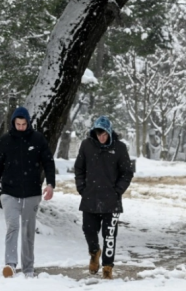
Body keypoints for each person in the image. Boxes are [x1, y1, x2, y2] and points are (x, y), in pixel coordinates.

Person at [0, 106, 56, 278]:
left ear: (28, 123)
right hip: (9, 191)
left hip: (32, 192)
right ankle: (10, 265)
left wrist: (50, 184)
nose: (21, 127)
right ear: (13, 123)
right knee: (12, 226)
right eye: (18, 124)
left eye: (24, 124)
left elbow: (48, 162)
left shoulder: (37, 139)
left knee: (28, 230)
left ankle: (28, 267)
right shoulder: (5, 140)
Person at [73, 116, 134, 280]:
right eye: (99, 133)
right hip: (90, 198)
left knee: (110, 234)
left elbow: (127, 172)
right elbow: (79, 168)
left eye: (105, 134)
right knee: (88, 230)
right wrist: (82, 188)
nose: (102, 137)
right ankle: (94, 252)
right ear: (94, 132)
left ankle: (108, 266)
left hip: (111, 200)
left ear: (109, 133)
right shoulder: (87, 145)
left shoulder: (119, 148)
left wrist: (118, 190)